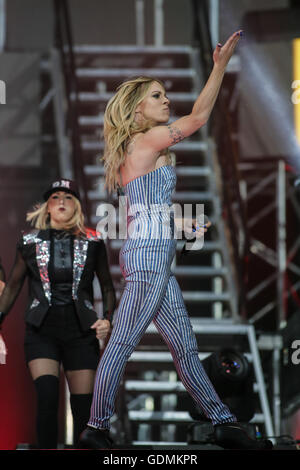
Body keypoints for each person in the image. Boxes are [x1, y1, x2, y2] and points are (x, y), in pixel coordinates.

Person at [80, 32, 272, 450]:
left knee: (185, 346)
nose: (166, 101)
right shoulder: (144, 140)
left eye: (165, 94)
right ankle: (95, 427)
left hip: (156, 257)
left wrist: (181, 231)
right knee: (122, 343)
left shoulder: (148, 147)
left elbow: (146, 209)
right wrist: (219, 66)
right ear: (136, 111)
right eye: (157, 96)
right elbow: (200, 118)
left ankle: (222, 422)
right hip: (148, 258)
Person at [0, 179, 116, 449]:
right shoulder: (29, 242)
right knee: (47, 398)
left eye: (68, 197)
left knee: (84, 409)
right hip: (42, 332)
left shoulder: (93, 241)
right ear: (47, 207)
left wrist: (107, 319)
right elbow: (13, 287)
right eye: (55, 197)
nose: (62, 201)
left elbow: (108, 286)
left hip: (81, 331)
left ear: (76, 205)